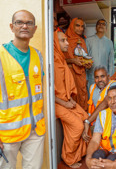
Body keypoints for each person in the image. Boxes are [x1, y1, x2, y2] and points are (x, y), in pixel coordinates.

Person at [0, 10, 45, 168]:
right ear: (12, 27)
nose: (25, 26)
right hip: (7, 133)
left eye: (29, 23)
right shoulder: (1, 56)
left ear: (35, 28)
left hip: (35, 131)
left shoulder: (37, 55)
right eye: (20, 22)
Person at [54, 29, 88, 168]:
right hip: (56, 104)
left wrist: (69, 100)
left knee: (85, 116)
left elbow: (63, 85)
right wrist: (64, 103)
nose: (67, 43)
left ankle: (78, 154)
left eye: (67, 39)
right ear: (55, 42)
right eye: (63, 40)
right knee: (78, 125)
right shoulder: (53, 61)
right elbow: (49, 92)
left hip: (65, 101)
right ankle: (68, 158)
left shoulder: (60, 57)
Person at [86, 86, 116, 169]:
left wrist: (115, 164)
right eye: (109, 98)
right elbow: (95, 140)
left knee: (112, 159)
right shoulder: (103, 114)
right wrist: (88, 159)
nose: (112, 102)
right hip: (106, 150)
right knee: (96, 157)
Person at [82, 65, 116, 142]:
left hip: (113, 124)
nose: (100, 80)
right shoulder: (92, 87)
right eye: (97, 77)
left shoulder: (114, 85)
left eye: (102, 76)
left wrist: (87, 121)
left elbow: (106, 102)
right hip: (97, 123)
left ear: (108, 76)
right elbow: (91, 106)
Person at [65, 18, 92, 111]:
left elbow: (84, 57)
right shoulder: (64, 39)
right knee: (73, 95)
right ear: (72, 26)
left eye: (82, 26)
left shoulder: (82, 40)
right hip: (70, 73)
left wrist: (87, 64)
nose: (80, 28)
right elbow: (59, 60)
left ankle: (83, 117)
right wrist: (73, 60)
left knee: (83, 94)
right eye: (77, 26)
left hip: (81, 74)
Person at [86, 19, 114, 89]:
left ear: (106, 29)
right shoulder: (88, 40)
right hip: (91, 76)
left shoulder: (109, 42)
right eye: (99, 24)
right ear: (96, 28)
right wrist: (85, 77)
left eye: (103, 24)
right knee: (92, 96)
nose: (101, 25)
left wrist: (110, 77)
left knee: (103, 96)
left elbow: (111, 62)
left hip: (104, 77)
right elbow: (85, 59)